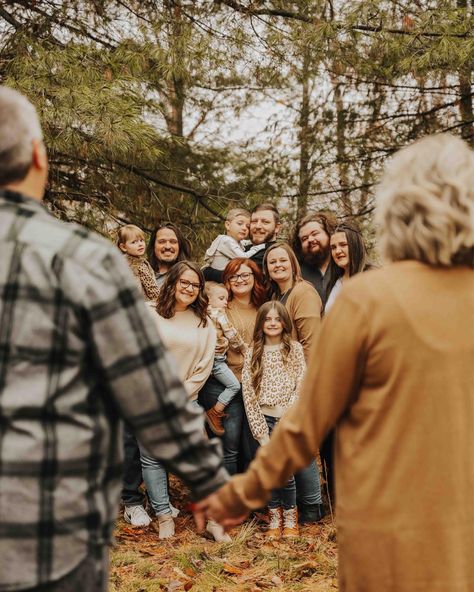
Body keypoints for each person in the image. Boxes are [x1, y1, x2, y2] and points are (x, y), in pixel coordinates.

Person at [197, 133, 474, 592]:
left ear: (396, 212)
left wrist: (242, 492)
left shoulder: (366, 299)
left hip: (383, 521)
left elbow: (307, 420)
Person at [0, 85, 228, 591]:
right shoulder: (83, 257)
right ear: (38, 157)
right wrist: (208, 479)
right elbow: (146, 386)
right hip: (48, 525)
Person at [140, 262, 225, 540]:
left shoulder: (204, 323)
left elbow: (203, 368)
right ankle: (164, 517)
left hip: (185, 401)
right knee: (152, 459)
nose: (189, 288)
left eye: (195, 285)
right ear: (173, 282)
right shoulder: (148, 313)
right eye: (184, 282)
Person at [263, 241, 324, 522]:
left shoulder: (303, 293)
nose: (277, 265)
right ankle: (299, 503)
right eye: (271, 261)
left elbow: (312, 344)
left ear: (292, 263)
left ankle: (312, 507)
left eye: (282, 260)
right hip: (284, 384)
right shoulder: (279, 293)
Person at [242, 301, 306, 539]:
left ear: (284, 323)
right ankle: (274, 516)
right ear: (261, 323)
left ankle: (290, 516)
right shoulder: (253, 352)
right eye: (267, 319)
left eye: (277, 319)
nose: (272, 323)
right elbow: (248, 393)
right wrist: (262, 434)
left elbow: (302, 385)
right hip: (263, 420)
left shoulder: (295, 349)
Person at [198, 258, 268, 475]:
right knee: (229, 448)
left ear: (255, 277)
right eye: (233, 276)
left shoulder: (263, 307)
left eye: (245, 274)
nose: (240, 280)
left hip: (255, 384)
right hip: (223, 381)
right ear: (226, 280)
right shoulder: (218, 307)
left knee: (254, 445)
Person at [205, 282, 246, 436]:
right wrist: (244, 348)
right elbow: (231, 334)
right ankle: (215, 412)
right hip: (217, 361)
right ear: (208, 299)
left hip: (205, 359)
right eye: (221, 298)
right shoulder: (218, 314)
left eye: (226, 299)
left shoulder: (201, 313)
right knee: (234, 386)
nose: (225, 302)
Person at [292, 212, 338, 306]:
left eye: (315, 233)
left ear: (329, 234)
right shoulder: (297, 273)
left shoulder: (345, 265)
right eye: (304, 238)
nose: (310, 240)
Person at [203, 208, 265, 276]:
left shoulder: (236, 241)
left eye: (247, 226)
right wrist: (260, 246)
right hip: (217, 281)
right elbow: (243, 258)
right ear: (228, 225)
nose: (244, 228)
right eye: (240, 224)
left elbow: (245, 242)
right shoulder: (225, 241)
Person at [325, 223, 371, 313]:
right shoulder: (333, 282)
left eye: (343, 244)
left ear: (355, 245)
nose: (337, 251)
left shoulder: (371, 277)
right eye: (333, 247)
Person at [117, 224, 160, 301]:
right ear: (123, 247)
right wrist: (161, 300)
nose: (140, 244)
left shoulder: (119, 261)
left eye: (141, 240)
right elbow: (152, 289)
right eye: (134, 242)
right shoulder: (140, 265)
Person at [146, 222, 192, 288]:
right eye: (162, 242)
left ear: (180, 246)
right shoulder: (140, 273)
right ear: (153, 246)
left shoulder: (190, 276)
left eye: (173, 242)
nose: (168, 246)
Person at [247, 202, 281, 268]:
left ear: (277, 227)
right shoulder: (241, 248)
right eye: (254, 221)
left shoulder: (276, 253)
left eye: (265, 222)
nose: (258, 226)